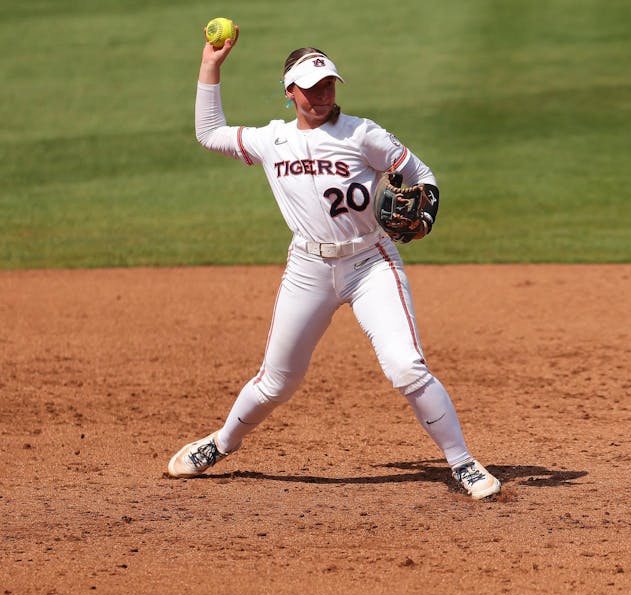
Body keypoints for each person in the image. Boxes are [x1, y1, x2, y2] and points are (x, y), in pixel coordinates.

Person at [166, 27, 501, 500]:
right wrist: (211, 65)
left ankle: (462, 462)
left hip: (370, 263)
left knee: (406, 367)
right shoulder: (271, 141)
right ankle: (220, 444)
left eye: (328, 85)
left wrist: (426, 207)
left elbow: (420, 174)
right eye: (311, 88)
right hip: (307, 269)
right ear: (290, 92)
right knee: (276, 383)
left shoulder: (363, 134)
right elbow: (209, 133)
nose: (322, 95)